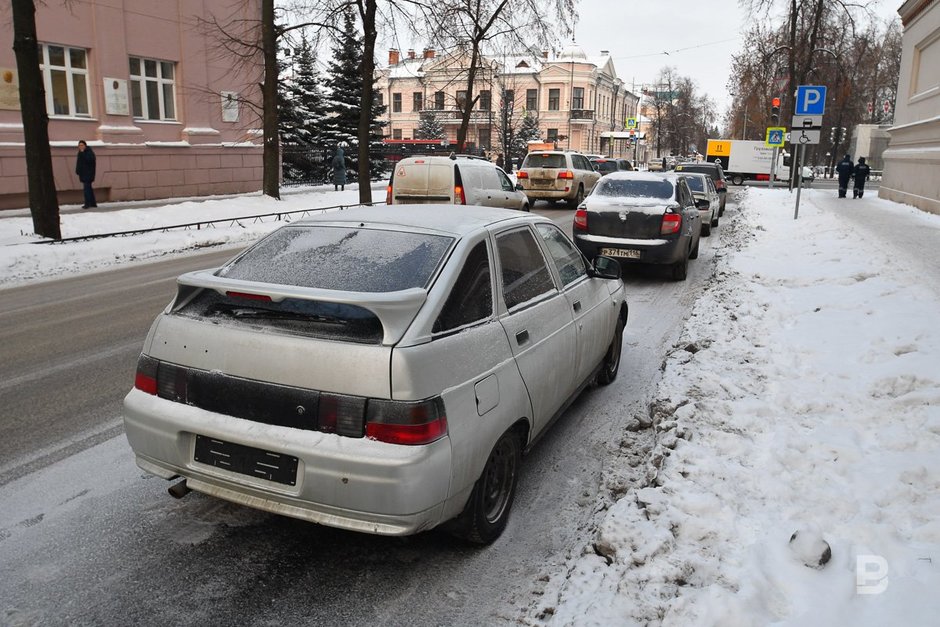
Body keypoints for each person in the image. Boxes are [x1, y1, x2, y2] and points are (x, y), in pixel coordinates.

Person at [75, 140, 97, 208]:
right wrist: (77, 170)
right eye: (79, 145)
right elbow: (79, 162)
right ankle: (93, 203)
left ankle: (87, 204)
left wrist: (83, 153)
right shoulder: (80, 153)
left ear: (85, 145)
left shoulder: (89, 152)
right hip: (83, 173)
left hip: (88, 173)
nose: (81, 147)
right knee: (89, 188)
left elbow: (90, 160)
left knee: (86, 189)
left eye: (82, 145)